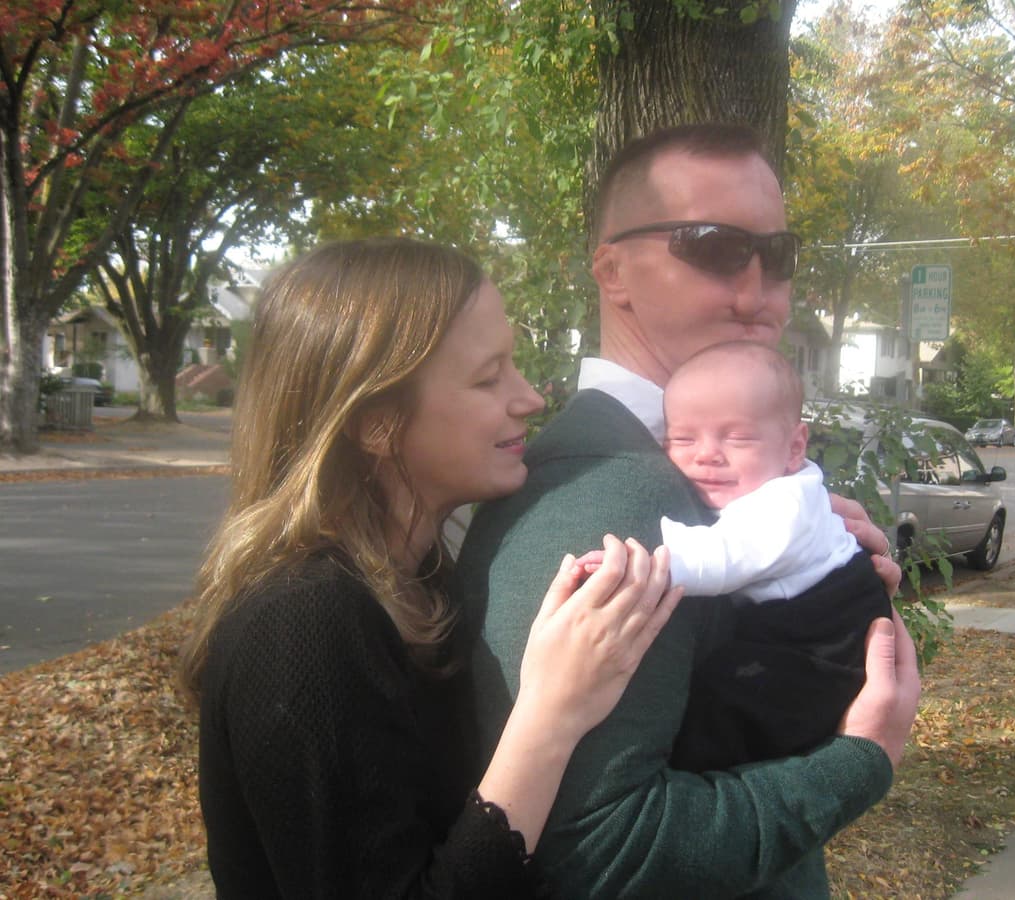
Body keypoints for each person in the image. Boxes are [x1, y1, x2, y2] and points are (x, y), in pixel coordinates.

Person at [456, 123, 920, 899]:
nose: (758, 290)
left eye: (779, 256)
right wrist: (862, 758)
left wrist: (823, 600)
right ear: (612, 270)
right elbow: (603, 850)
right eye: (714, 247)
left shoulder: (703, 473)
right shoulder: (617, 493)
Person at [175, 237, 682, 898]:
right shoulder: (305, 624)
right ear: (379, 422)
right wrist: (551, 715)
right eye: (487, 375)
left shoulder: (420, 580)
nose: (529, 398)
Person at [652, 339, 894, 771]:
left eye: (738, 437)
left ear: (795, 447)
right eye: (682, 438)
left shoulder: (785, 505)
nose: (707, 454)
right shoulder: (770, 488)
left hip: (824, 648)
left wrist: (645, 560)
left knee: (728, 710)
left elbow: (720, 559)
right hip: (801, 631)